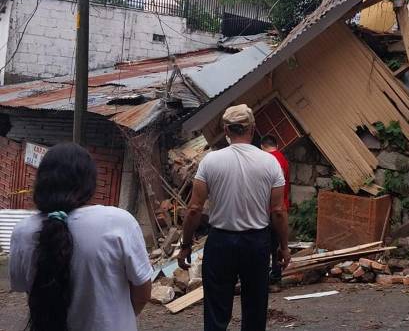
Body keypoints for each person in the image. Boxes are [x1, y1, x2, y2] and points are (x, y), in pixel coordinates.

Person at [10, 143, 152, 331]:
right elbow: (142, 292)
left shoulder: (23, 232)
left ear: (42, 182)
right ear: (89, 183)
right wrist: (116, 317)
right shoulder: (118, 222)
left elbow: (28, 289)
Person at [178, 104, 290, 331]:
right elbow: (278, 210)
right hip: (256, 242)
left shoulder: (211, 161)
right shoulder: (270, 163)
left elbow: (194, 209)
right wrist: (284, 247)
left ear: (226, 130)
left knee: (216, 311)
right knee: (255, 309)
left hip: (220, 242)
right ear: (253, 128)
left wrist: (186, 245)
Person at [260, 134, 291, 285]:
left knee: (266, 245)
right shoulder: (283, 159)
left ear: (262, 147)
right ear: (277, 145)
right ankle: (276, 275)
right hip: (282, 206)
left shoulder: (266, 161)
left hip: (268, 209)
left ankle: (265, 277)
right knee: (276, 244)